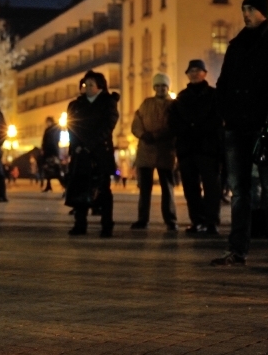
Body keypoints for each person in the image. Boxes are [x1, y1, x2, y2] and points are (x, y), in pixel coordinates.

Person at [212, 0, 268, 271]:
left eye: (251, 9)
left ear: (264, 12)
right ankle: (237, 250)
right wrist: (226, 115)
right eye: (244, 9)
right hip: (236, 127)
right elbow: (223, 84)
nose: (246, 15)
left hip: (265, 127)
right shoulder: (236, 46)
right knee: (239, 192)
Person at [168, 59, 223, 235]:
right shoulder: (181, 98)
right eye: (191, 71)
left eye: (198, 70)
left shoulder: (214, 95)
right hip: (187, 149)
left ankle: (211, 221)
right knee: (190, 188)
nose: (194, 73)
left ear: (204, 73)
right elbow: (173, 123)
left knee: (211, 188)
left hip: (208, 149)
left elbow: (217, 121)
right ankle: (197, 221)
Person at [64, 70, 119, 237]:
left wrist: (90, 144)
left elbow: (107, 126)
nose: (87, 88)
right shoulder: (76, 105)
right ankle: (80, 224)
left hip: (100, 153)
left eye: (91, 85)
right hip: (80, 154)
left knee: (103, 190)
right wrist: (77, 146)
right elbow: (71, 126)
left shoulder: (107, 103)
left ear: (100, 87)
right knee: (80, 188)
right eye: (85, 85)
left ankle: (106, 225)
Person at [130, 73, 178, 231]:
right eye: (157, 86)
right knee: (144, 189)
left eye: (163, 86)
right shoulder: (146, 103)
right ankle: (142, 219)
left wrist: (157, 135)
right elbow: (137, 122)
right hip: (146, 150)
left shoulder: (173, 105)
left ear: (167, 87)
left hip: (165, 151)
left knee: (167, 187)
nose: (160, 88)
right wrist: (143, 134)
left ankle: (170, 219)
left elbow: (173, 126)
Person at [41, 116, 63, 192]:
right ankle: (49, 185)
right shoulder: (56, 129)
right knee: (50, 169)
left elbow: (47, 142)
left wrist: (44, 150)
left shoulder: (50, 130)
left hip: (51, 152)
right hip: (53, 152)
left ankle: (64, 185)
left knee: (55, 169)